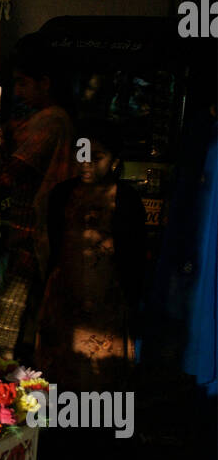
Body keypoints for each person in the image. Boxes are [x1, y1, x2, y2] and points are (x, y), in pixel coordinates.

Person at [36, 122, 146, 390]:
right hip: (64, 294)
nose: (86, 163)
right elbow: (53, 243)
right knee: (62, 367)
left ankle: (99, 427)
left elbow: (134, 254)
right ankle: (60, 425)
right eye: (81, 155)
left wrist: (129, 298)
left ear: (115, 161)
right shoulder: (61, 194)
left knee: (103, 371)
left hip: (108, 298)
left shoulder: (127, 199)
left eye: (96, 158)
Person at [0, 45, 74, 359]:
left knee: (13, 305)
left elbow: (13, 173)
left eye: (23, 83)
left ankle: (3, 371)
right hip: (30, 225)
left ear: (46, 83)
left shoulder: (51, 121)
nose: (17, 91)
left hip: (31, 227)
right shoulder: (43, 119)